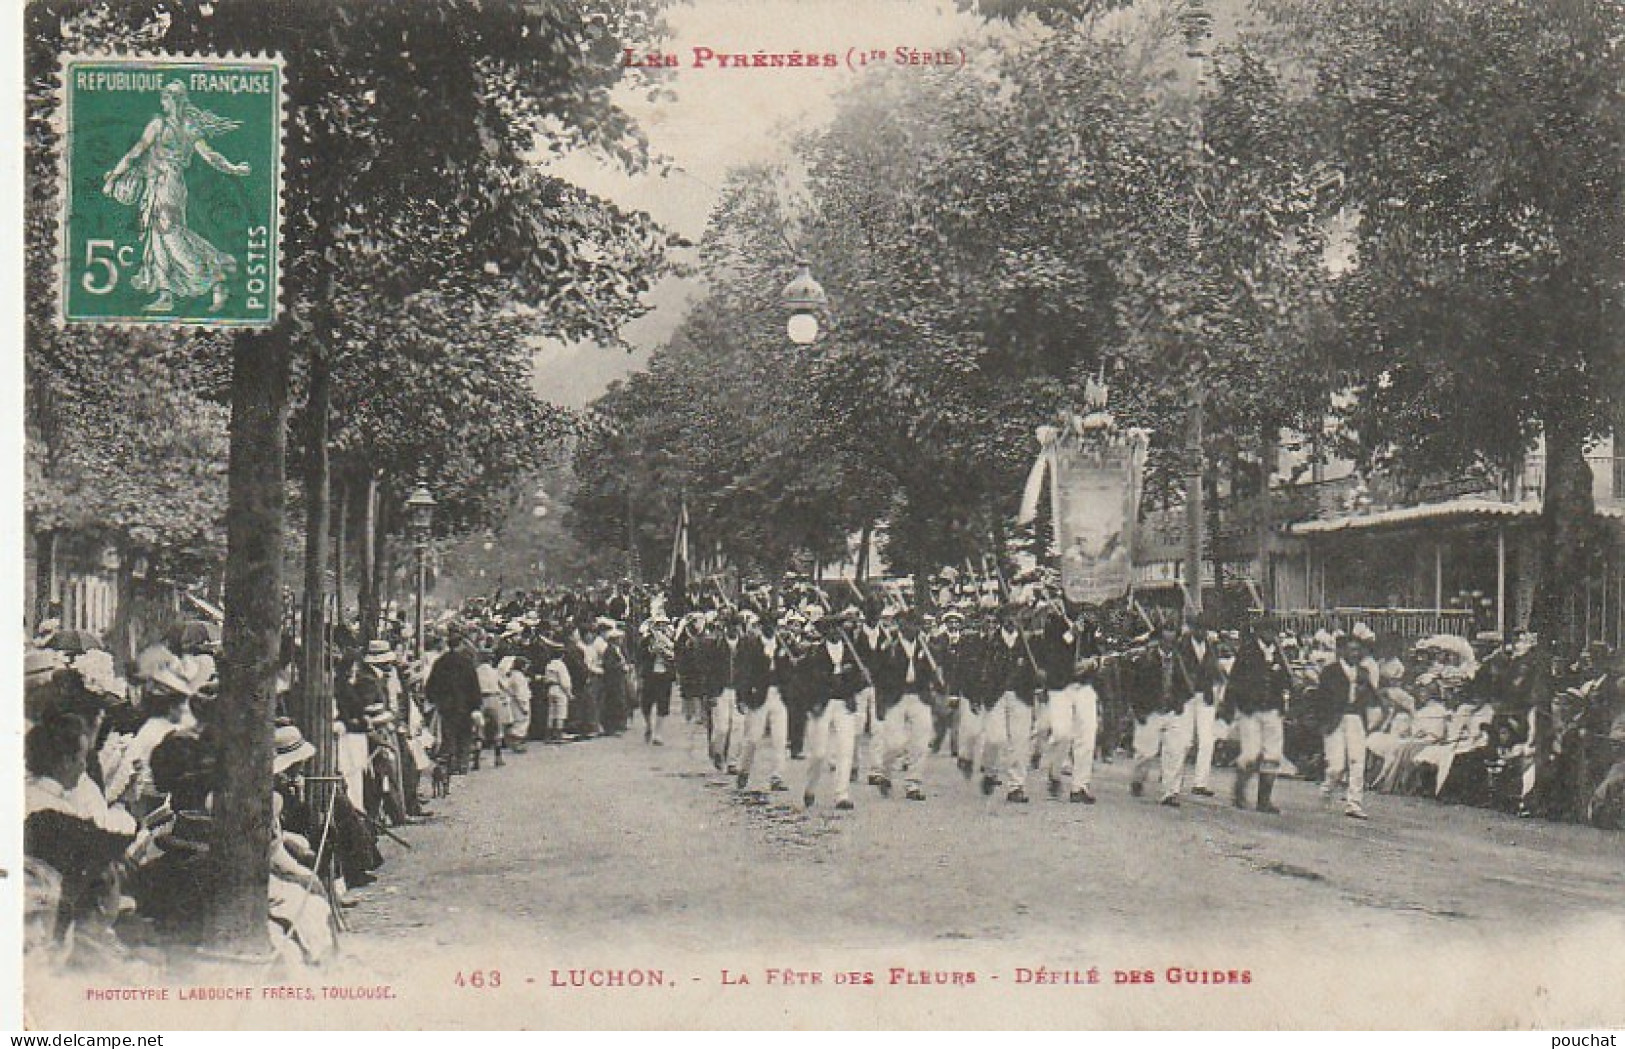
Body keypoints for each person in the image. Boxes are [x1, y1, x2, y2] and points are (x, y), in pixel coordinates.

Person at [101, 80, 251, 314]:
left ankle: (215, 273)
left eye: (168, 98)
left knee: (170, 236)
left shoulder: (164, 125)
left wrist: (112, 178)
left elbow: (135, 153)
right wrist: (233, 168)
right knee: (158, 237)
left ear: (176, 101)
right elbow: (138, 154)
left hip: (168, 185)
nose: (166, 102)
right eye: (165, 98)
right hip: (162, 184)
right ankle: (165, 294)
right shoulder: (183, 127)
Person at [1224, 619, 1293, 813]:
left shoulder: (1279, 654)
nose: (1271, 635)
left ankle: (1264, 800)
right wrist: (1232, 706)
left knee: (1272, 755)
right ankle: (1239, 790)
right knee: (1251, 754)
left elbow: (1286, 681)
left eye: (1274, 631)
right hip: (1251, 710)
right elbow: (1234, 681)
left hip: (1273, 709)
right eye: (1267, 631)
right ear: (1259, 632)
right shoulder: (1247, 652)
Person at [801, 613, 865, 810]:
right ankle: (810, 787)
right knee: (819, 753)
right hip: (823, 703)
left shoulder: (852, 652)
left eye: (839, 627)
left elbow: (860, 678)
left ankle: (841, 794)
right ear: (824, 632)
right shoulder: (815, 654)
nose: (836, 631)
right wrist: (813, 703)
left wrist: (851, 692)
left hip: (843, 702)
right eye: (830, 628)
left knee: (845, 748)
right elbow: (809, 682)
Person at [873, 614, 940, 801]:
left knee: (920, 740)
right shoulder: (889, 647)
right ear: (902, 626)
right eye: (911, 624)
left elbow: (935, 670)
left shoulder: (926, 647)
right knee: (894, 743)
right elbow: (878, 677)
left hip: (919, 696)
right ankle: (885, 773)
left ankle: (913, 783)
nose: (915, 628)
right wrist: (880, 702)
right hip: (896, 697)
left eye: (918, 624)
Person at [979, 607, 1041, 803]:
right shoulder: (990, 642)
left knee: (1020, 741)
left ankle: (1016, 786)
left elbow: (1036, 669)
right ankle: (989, 771)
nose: (1013, 621)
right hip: (995, 695)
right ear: (1002, 619)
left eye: (1017, 617)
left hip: (1021, 695)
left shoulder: (1029, 644)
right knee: (995, 738)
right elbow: (981, 669)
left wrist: (1038, 681)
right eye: (1009, 617)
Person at [1039, 605, 1101, 805]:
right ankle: (1055, 772)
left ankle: (1080, 786)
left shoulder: (1090, 622)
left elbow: (1097, 651)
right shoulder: (1053, 622)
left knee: (1087, 733)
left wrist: (1092, 662)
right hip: (1060, 685)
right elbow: (1051, 653)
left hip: (1083, 685)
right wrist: (1071, 634)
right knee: (1062, 733)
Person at [1315, 634, 1378, 819]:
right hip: (1335, 718)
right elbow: (1322, 699)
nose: (1355, 654)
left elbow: (1373, 697)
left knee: (1358, 760)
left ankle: (1354, 803)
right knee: (1336, 765)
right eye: (1351, 650)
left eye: (1357, 650)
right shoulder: (1330, 672)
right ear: (1342, 651)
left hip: (1355, 718)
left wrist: (1363, 693)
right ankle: (1326, 789)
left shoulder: (1363, 673)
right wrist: (1322, 722)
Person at [1129, 623, 1191, 807]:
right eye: (1165, 641)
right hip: (1150, 711)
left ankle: (1170, 792)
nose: (1168, 646)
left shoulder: (1180, 661)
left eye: (1172, 642)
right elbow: (1134, 687)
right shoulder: (1146, 660)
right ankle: (1138, 779)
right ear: (1159, 641)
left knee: (1175, 751)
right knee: (1146, 752)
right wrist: (1138, 710)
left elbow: (1187, 684)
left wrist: (1180, 702)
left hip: (1172, 710)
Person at [734, 613, 790, 792]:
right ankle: (744, 769)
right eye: (767, 625)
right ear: (761, 626)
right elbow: (743, 672)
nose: (771, 628)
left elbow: (791, 667)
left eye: (773, 625)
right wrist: (742, 696)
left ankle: (777, 776)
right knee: (753, 738)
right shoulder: (752, 646)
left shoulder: (783, 645)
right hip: (758, 695)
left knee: (780, 738)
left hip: (778, 694)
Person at [1176, 610, 1224, 798]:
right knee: (1185, 741)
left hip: (1204, 695)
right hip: (1186, 696)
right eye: (1200, 628)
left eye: (1205, 628)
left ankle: (1200, 783)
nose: (1203, 632)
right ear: (1193, 628)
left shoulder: (1211, 647)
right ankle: (1175, 780)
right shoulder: (1182, 645)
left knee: (1207, 740)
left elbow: (1214, 671)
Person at [425, 626, 481, 774]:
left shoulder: (440, 662)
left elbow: (432, 683)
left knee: (449, 734)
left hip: (446, 705)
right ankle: (462, 764)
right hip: (465, 705)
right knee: (465, 734)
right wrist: (476, 704)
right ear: (460, 644)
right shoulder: (467, 662)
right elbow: (473, 684)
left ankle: (450, 763)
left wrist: (434, 699)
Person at [638, 611, 677, 745]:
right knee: (646, 703)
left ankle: (658, 733)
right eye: (658, 625)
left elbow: (675, 656)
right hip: (650, 674)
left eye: (663, 625)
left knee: (663, 704)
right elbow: (640, 656)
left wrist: (667, 654)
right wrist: (651, 651)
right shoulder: (646, 639)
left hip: (664, 675)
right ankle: (648, 725)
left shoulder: (671, 640)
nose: (661, 628)